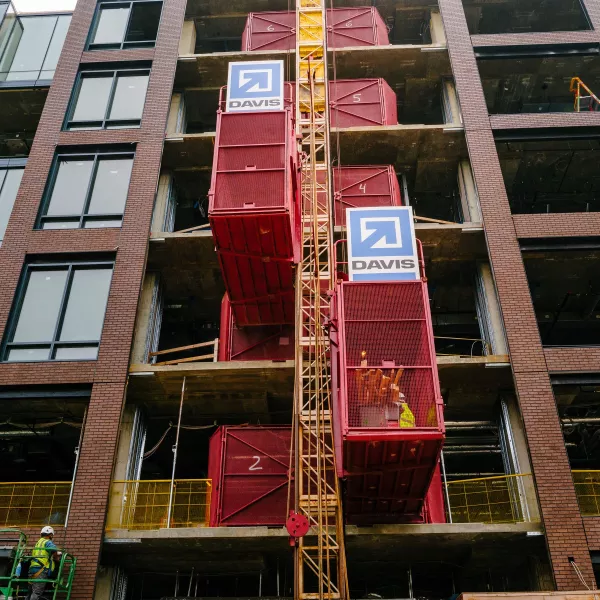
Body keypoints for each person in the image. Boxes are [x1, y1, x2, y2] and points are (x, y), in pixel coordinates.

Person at [26, 526, 62, 600]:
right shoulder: (47, 542)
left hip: (32, 569)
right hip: (41, 570)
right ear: (50, 535)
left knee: (29, 592)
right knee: (36, 592)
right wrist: (58, 553)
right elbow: (53, 549)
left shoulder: (38, 543)